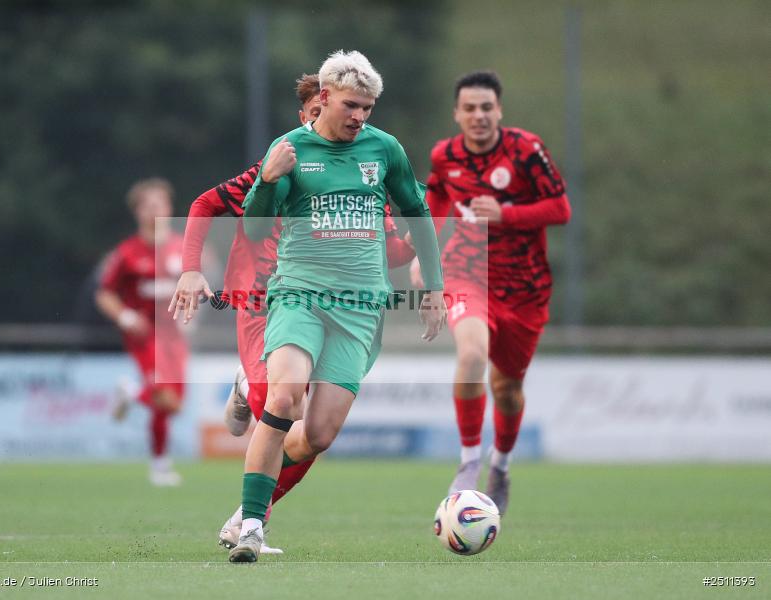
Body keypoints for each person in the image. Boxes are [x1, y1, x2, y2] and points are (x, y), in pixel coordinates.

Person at [213, 50, 445, 563]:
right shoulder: (290, 149)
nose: (360, 116)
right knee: (285, 397)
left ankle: (242, 514)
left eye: (368, 106)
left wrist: (433, 286)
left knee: (317, 434)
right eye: (351, 105)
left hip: (360, 308)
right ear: (323, 98)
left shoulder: (384, 149)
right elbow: (252, 231)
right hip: (298, 295)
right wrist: (267, 180)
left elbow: (419, 213)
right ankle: (253, 525)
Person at [412, 71, 570, 515]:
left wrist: (507, 212)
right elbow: (439, 201)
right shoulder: (445, 155)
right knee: (471, 355)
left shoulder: (526, 150)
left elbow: (560, 208)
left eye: (486, 107)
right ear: (457, 114)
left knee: (507, 389)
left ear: (499, 110)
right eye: (470, 108)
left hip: (525, 289)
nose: (478, 116)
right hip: (468, 274)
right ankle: (468, 463)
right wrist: (427, 256)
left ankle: (500, 464)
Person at [96, 178, 189, 486]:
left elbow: (197, 284)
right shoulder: (127, 253)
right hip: (146, 335)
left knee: (172, 404)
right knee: (164, 397)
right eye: (148, 205)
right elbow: (104, 294)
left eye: (160, 204)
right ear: (137, 212)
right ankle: (160, 464)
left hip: (175, 336)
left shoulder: (182, 247)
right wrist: (124, 316)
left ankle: (159, 463)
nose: (155, 210)